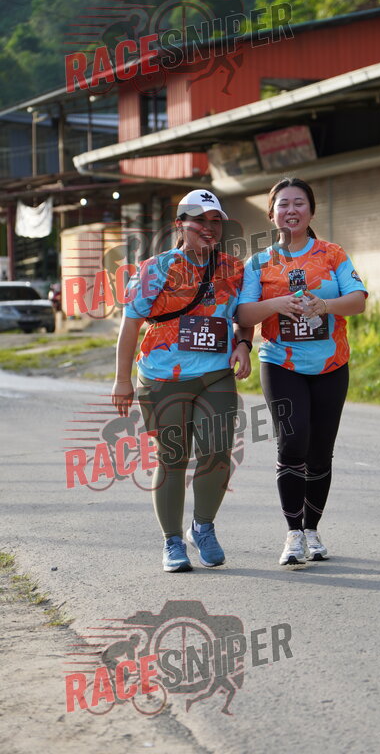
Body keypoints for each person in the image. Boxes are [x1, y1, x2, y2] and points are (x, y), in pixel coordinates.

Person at [111, 189, 253, 573]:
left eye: (215, 221)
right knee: (172, 458)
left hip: (215, 374)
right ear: (180, 225)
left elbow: (243, 315)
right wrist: (122, 380)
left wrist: (244, 343)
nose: (209, 227)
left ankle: (203, 527)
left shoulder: (234, 268)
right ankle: (172, 540)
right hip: (162, 377)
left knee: (217, 453)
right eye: (199, 220)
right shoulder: (155, 268)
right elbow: (130, 326)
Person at [237, 177, 367, 566]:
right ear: (271, 213)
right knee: (292, 444)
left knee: (321, 451)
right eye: (283, 204)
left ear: (311, 211)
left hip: (331, 365)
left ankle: (312, 530)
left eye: (299, 203)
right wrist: (275, 304)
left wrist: (326, 306)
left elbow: (358, 300)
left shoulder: (332, 254)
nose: (291, 210)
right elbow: (243, 314)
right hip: (281, 363)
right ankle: (293, 534)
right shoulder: (259, 262)